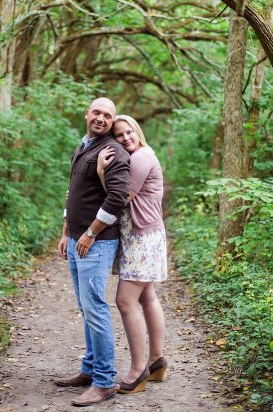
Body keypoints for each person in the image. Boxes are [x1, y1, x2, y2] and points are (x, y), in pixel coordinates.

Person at [53, 97, 130, 407]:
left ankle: (104, 381)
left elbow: (117, 199)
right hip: (75, 238)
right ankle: (89, 370)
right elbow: (74, 191)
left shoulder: (113, 153)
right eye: (97, 112)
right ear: (87, 113)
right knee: (86, 308)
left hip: (96, 242)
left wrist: (89, 233)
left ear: (112, 121)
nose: (101, 118)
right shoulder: (85, 145)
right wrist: (66, 232)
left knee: (95, 308)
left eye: (107, 115)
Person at [96, 115, 168, 395]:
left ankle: (139, 370)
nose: (126, 138)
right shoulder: (138, 154)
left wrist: (102, 174)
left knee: (125, 301)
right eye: (120, 135)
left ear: (138, 131)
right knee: (147, 296)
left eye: (129, 132)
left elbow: (119, 197)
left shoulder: (140, 158)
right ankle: (156, 359)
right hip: (143, 235)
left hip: (143, 238)